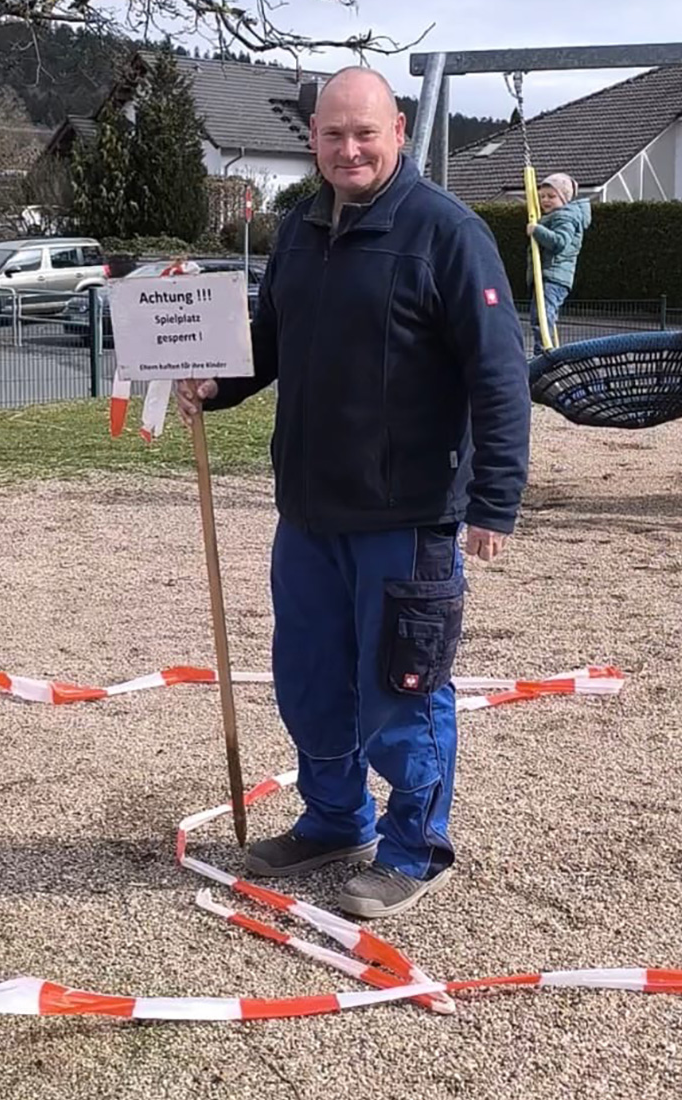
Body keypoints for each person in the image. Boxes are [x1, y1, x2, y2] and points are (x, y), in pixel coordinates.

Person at [175, 67, 531, 920]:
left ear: (398, 130)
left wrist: (495, 498)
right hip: (307, 514)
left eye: (365, 133)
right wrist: (214, 385)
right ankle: (336, 820)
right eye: (333, 135)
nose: (349, 149)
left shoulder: (447, 233)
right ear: (313, 140)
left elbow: (498, 371)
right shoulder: (300, 231)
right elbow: (269, 343)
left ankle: (416, 848)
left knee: (401, 690)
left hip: (406, 516)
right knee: (309, 683)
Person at [525, 173, 592, 356]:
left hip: (555, 276)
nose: (545, 200)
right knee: (541, 315)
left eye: (551, 196)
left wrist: (537, 230)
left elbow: (559, 242)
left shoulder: (566, 217)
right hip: (549, 274)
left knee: (542, 316)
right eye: (542, 196)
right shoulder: (555, 216)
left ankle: (544, 353)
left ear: (564, 197)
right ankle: (546, 351)